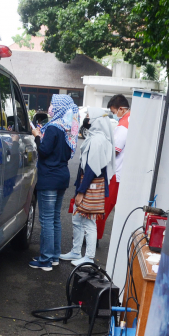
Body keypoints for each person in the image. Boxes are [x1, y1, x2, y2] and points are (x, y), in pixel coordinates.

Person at [29, 94, 79, 271]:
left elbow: (43, 151)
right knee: (55, 218)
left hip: (49, 178)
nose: (49, 107)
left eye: (52, 104)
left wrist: (36, 135)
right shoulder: (68, 130)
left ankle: (45, 260)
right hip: (61, 177)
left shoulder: (53, 128)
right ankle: (54, 256)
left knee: (47, 220)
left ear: (58, 108)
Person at [60, 109, 115, 266]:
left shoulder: (97, 140)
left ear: (98, 120)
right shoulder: (99, 138)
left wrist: (81, 191)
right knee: (77, 218)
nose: (87, 120)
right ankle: (76, 251)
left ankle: (89, 257)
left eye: (90, 118)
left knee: (89, 222)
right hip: (90, 184)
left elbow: (91, 169)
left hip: (91, 186)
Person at [97, 94, 131, 240]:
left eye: (114, 111)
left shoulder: (123, 126)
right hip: (125, 172)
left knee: (103, 206)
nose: (114, 115)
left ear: (121, 109)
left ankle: (95, 237)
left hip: (116, 174)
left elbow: (113, 151)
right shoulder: (132, 120)